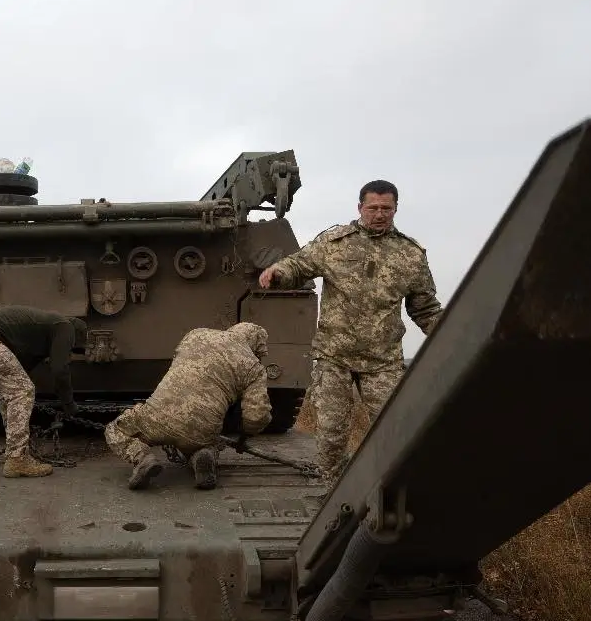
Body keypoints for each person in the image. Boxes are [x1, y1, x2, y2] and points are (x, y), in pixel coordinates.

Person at [257, 179, 444, 488]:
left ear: (396, 209)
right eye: (373, 208)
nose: (380, 214)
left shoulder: (410, 255)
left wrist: (451, 333)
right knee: (331, 435)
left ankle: (388, 491)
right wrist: (276, 273)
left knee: (394, 431)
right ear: (360, 208)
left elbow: (424, 308)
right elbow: (298, 265)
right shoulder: (334, 243)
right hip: (335, 358)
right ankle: (330, 496)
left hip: (382, 362)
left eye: (387, 208)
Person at [104, 322, 272, 491]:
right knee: (204, 441)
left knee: (115, 430)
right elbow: (256, 416)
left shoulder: (197, 334)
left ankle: (142, 458)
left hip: (157, 416)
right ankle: (202, 454)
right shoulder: (254, 367)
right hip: (203, 428)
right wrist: (244, 437)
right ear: (254, 346)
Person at [0, 305, 87, 478]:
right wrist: (68, 403)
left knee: (10, 390)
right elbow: (60, 369)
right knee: (22, 390)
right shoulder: (66, 327)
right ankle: (17, 459)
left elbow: (23, 369)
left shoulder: (44, 331)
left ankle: (15, 451)